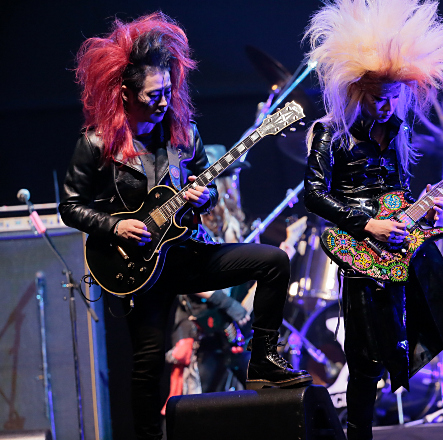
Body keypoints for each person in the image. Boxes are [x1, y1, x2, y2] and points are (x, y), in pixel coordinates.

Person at [59, 12, 311, 439]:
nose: (163, 102)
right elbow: (70, 206)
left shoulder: (184, 134)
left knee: (273, 262)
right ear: (125, 93)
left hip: (187, 253)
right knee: (147, 364)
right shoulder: (97, 142)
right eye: (153, 95)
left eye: (167, 91)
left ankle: (264, 359)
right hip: (138, 266)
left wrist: (203, 196)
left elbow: (201, 189)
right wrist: (115, 227)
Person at [302, 1, 443, 439]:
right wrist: (368, 223)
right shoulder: (330, 132)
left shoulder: (398, 129)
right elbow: (314, 194)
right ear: (357, 91)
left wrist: (422, 208)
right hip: (362, 253)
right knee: (365, 361)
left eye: (394, 97)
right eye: (378, 98)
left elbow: (396, 193)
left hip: (408, 244)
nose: (387, 106)